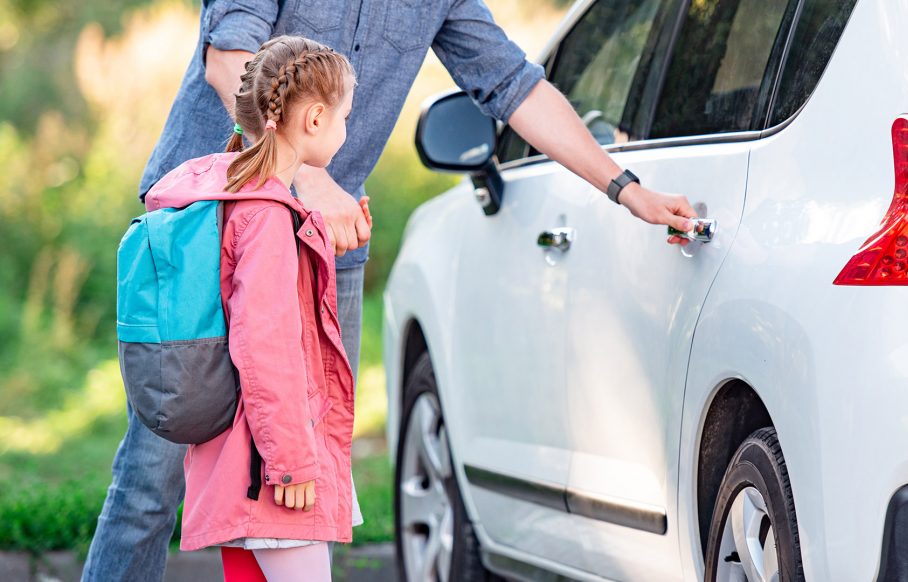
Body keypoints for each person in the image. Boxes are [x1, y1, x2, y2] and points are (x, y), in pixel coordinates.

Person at [84, 1, 698, 581]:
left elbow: (515, 87)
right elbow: (228, 59)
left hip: (324, 242)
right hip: (210, 230)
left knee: (303, 472)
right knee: (154, 475)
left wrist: (625, 187)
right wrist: (312, 178)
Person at [147, 36, 362, 581]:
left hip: (237, 457)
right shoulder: (266, 216)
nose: (346, 132)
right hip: (273, 468)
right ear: (314, 118)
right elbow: (266, 348)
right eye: (344, 118)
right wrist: (291, 464)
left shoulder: (238, 198)